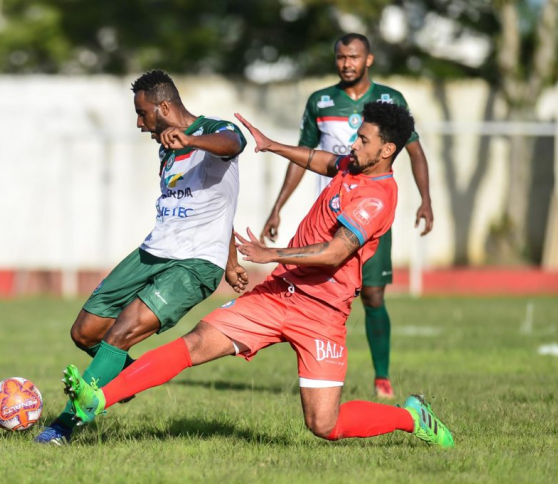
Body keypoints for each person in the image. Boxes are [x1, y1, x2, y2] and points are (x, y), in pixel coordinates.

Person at [63, 101, 454, 448]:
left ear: (387, 150)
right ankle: (99, 399)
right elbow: (323, 161)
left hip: (322, 313)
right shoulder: (354, 164)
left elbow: (336, 252)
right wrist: (274, 146)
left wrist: (271, 253)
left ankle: (412, 417)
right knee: (195, 343)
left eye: (364, 140)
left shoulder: (377, 197)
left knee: (324, 423)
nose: (353, 144)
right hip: (276, 295)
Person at [35, 69, 249, 444]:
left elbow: (234, 143)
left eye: (143, 112)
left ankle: (63, 427)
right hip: (153, 251)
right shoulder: (166, 147)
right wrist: (233, 260)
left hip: (193, 263)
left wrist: (193, 140)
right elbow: (213, 204)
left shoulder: (213, 131)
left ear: (164, 107)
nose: (138, 123)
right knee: (85, 332)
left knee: (120, 335)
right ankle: (122, 378)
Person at [261, 33, 434, 399]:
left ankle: (382, 376)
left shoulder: (390, 101)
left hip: (366, 214)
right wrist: (277, 207)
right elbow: (307, 156)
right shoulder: (320, 101)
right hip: (328, 215)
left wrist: (426, 200)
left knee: (372, 295)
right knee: (308, 291)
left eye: (353, 56)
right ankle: (317, 370)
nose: (346, 63)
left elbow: (415, 153)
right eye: (340, 57)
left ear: (368, 59)